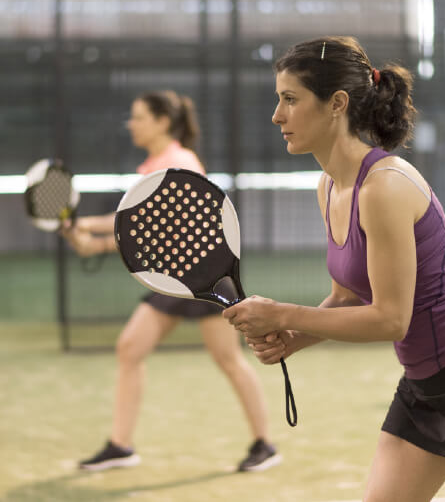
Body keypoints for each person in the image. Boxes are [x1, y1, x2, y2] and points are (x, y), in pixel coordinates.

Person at [223, 37, 445, 501]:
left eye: (290, 99)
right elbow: (346, 296)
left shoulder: (384, 186)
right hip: (425, 385)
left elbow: (389, 318)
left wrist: (281, 315)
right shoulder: (329, 187)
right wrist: (293, 341)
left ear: (336, 104)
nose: (278, 115)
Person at [63, 90, 281, 473]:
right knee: (131, 348)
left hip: (202, 278)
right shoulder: (154, 166)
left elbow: (145, 224)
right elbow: (146, 238)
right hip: (174, 280)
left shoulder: (178, 163)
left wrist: (84, 226)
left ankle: (264, 443)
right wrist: (94, 245)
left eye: (139, 117)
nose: (131, 124)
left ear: (163, 122)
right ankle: (121, 446)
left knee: (228, 360)